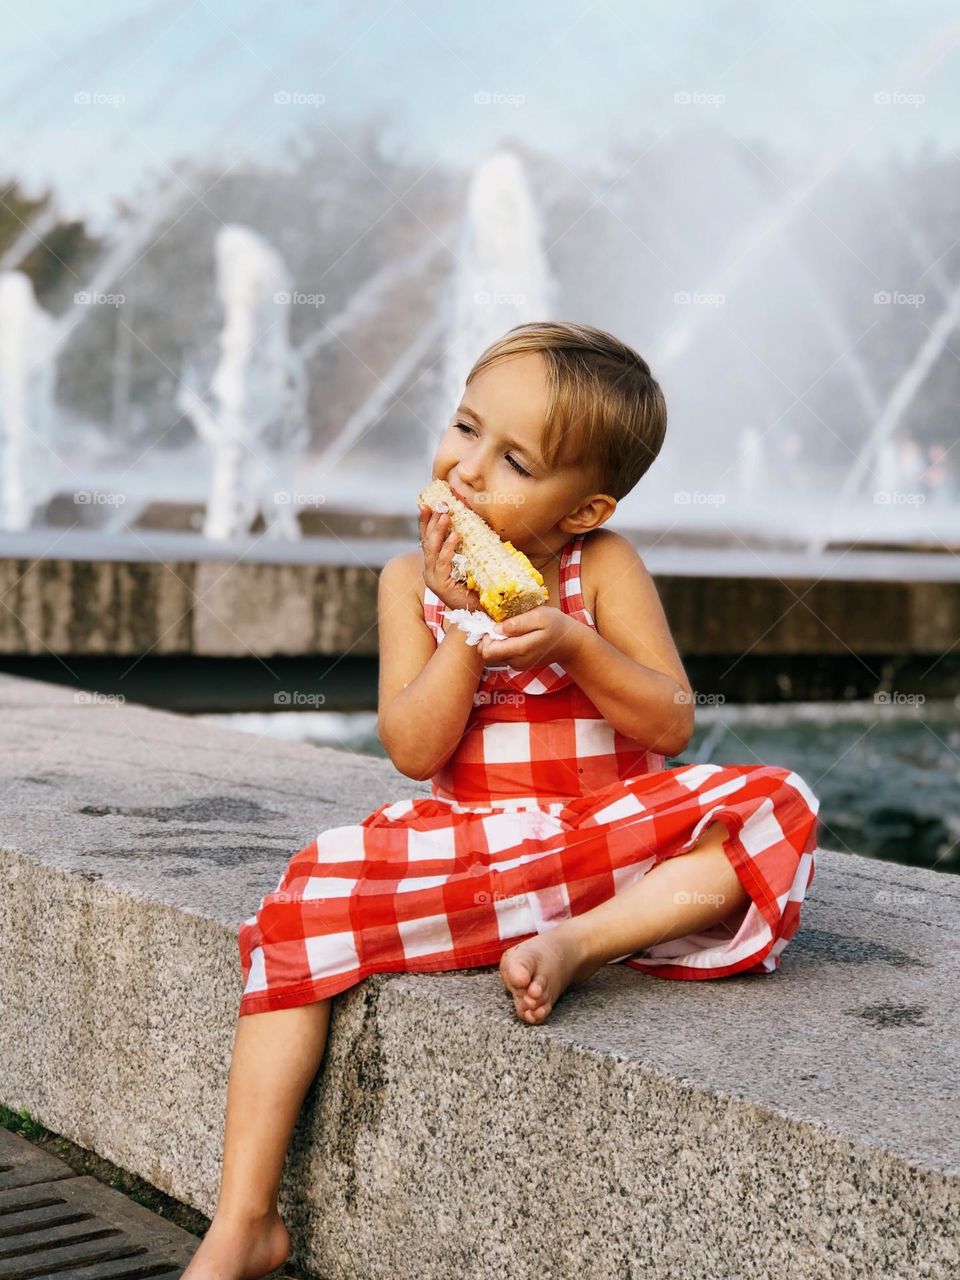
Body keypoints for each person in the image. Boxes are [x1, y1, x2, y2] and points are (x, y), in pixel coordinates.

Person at [182, 321, 821, 1279]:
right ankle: (244, 1221)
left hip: (604, 850)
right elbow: (412, 748)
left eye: (515, 460)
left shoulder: (599, 569)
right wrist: (463, 632)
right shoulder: (411, 582)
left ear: (582, 510)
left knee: (781, 804)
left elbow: (671, 724)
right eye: (465, 428)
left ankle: (578, 947)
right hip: (475, 849)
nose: (469, 470)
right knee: (297, 906)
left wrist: (573, 644)